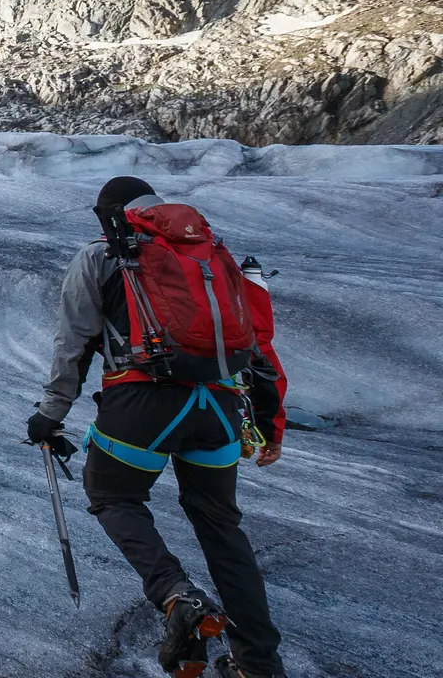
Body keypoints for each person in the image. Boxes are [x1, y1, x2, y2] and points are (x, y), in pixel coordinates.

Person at [28, 176, 288, 678]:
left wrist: (50, 414)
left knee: (112, 495)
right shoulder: (214, 256)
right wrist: (268, 422)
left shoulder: (105, 254)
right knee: (221, 528)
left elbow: (74, 342)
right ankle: (258, 664)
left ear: (111, 212)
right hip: (219, 408)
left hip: (142, 405)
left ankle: (177, 596)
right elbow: (258, 345)